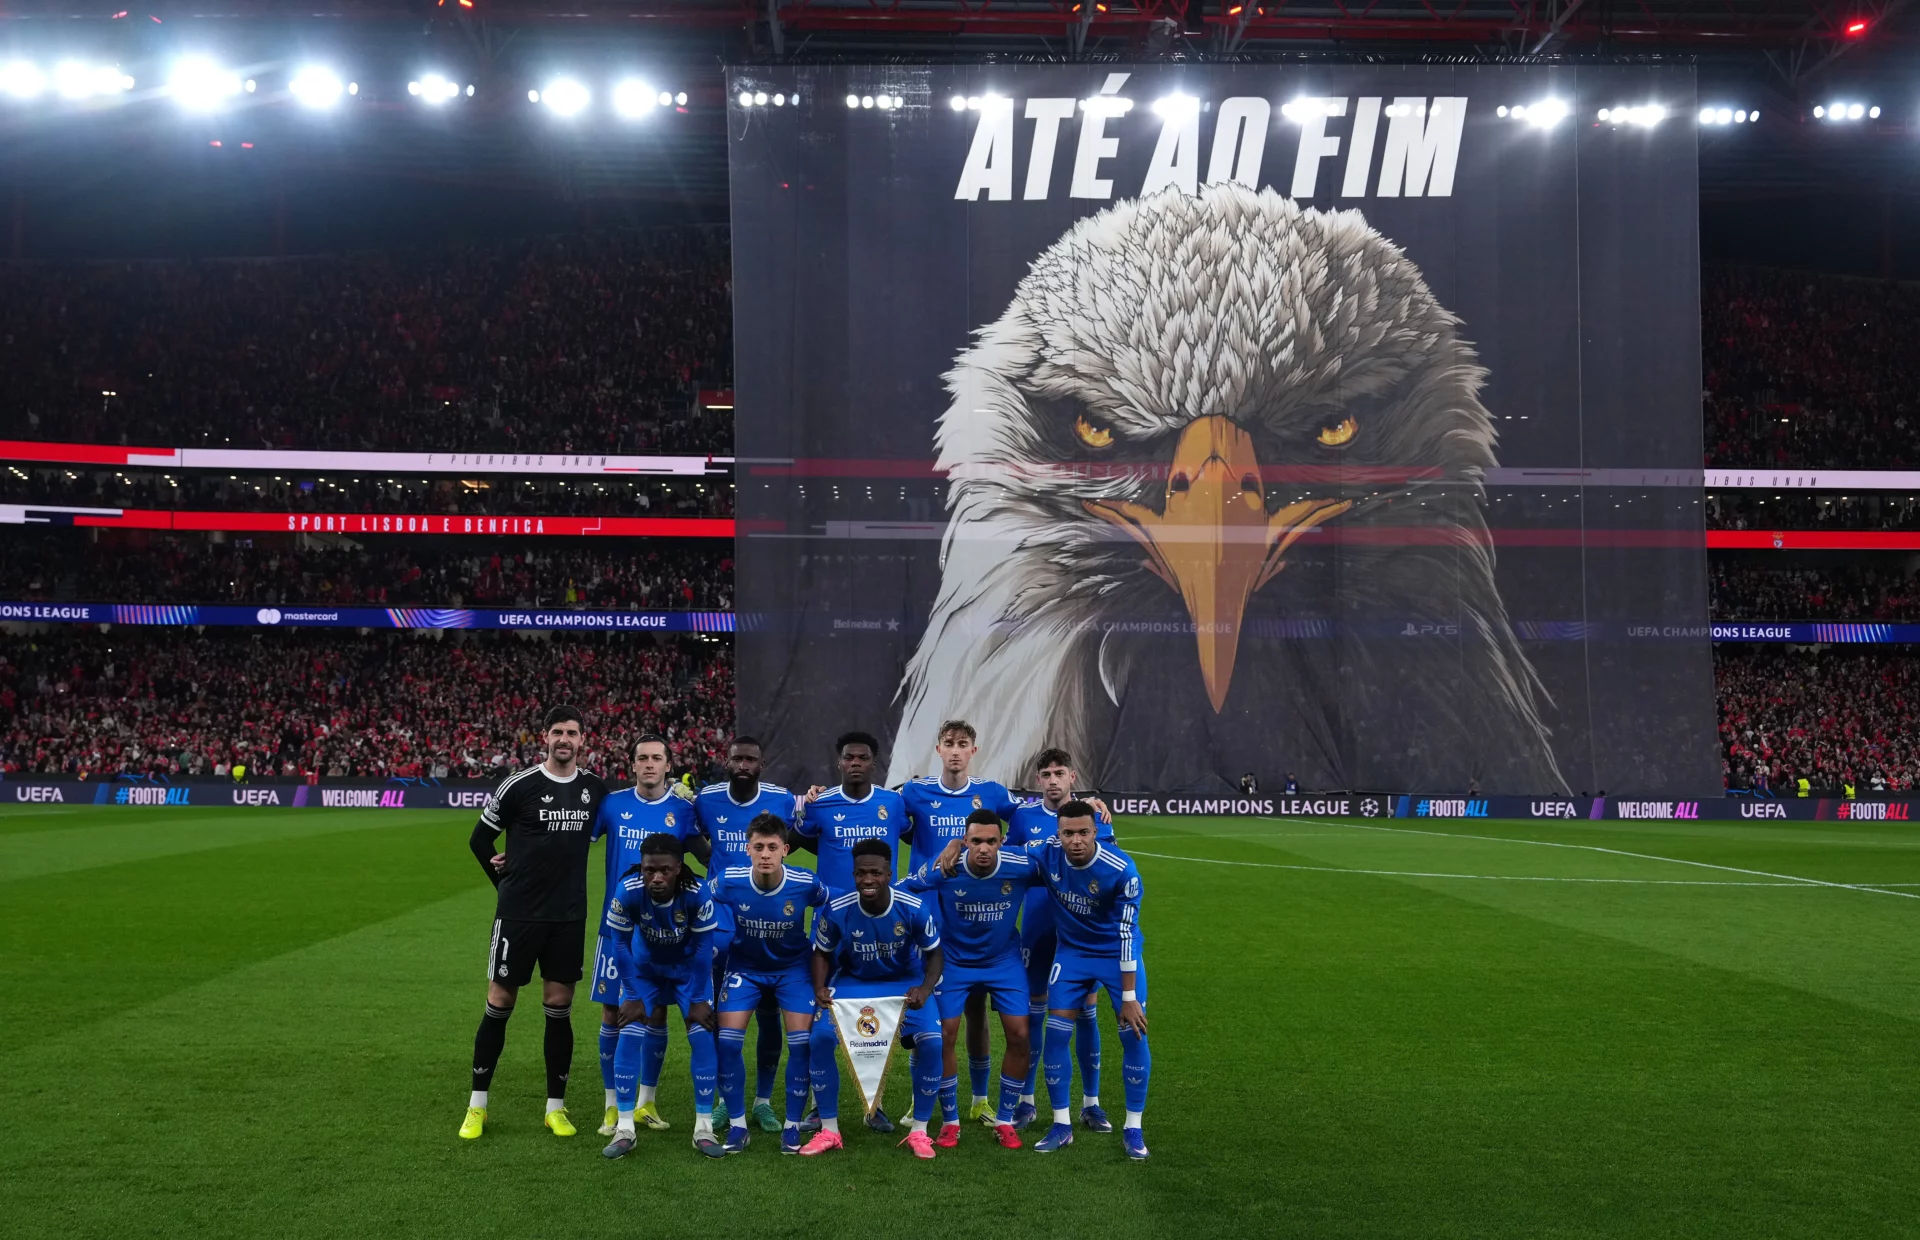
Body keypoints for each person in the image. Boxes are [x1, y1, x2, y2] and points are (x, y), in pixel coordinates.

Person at [459, 705, 610, 1140]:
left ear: (583, 740)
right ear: (545, 736)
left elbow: (621, 822)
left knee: (559, 1008)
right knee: (500, 1002)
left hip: (567, 917)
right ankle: (477, 1106)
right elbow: (479, 838)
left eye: (573, 733)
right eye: (558, 732)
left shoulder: (595, 789)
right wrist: (502, 883)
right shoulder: (520, 785)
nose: (565, 739)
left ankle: (555, 1108)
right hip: (518, 916)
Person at [899, 719, 1020, 1125]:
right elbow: (875, 808)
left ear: (974, 750)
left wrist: (1086, 802)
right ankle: (922, 1096)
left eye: (962, 743)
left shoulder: (992, 794)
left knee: (976, 1010)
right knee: (926, 1012)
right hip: (925, 920)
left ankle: (980, 1099)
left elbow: (1028, 820)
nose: (955, 750)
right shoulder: (914, 792)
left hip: (969, 920)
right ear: (938, 749)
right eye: (948, 743)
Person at [588, 736, 708, 1137]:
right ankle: (611, 1105)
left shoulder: (683, 809)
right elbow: (571, 842)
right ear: (632, 765)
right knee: (614, 1013)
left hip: (666, 934)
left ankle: (646, 1102)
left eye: (657, 758)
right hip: (617, 928)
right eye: (642, 758)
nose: (650, 764)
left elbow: (708, 855)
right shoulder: (612, 804)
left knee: (656, 1013)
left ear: (668, 764)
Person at [798, 840, 946, 1159]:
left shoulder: (913, 907)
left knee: (933, 1042)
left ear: (889, 873)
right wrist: (820, 986)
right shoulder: (837, 908)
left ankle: (919, 1131)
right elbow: (822, 952)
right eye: (861, 873)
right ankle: (829, 1130)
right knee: (820, 1039)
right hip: (855, 981)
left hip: (903, 982)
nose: (868, 880)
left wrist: (925, 987)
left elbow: (935, 954)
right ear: (853, 874)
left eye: (875, 873)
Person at [1023, 800, 1151, 1160]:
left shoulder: (1122, 870)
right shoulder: (1046, 854)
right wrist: (957, 845)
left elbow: (1127, 934)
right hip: (1073, 955)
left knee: (1134, 1031)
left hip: (1116, 956)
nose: (1075, 840)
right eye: (1068, 833)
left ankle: (1133, 1127)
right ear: (1057, 834)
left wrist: (1128, 995)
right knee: (1057, 1031)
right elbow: (1005, 851)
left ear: (1096, 832)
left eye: (1083, 832)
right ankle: (1061, 1124)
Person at [903, 808, 1037, 1150]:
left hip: (1003, 961)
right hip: (955, 961)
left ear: (1002, 842)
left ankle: (1005, 1120)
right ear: (965, 842)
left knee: (1021, 1034)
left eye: (991, 841)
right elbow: (903, 891)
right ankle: (950, 1121)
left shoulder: (1022, 865)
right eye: (975, 841)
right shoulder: (947, 868)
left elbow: (1061, 859)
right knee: (945, 1034)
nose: (983, 848)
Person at [796, 730, 910, 1129]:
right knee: (821, 1015)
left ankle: (871, 1104)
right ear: (840, 762)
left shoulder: (893, 803)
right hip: (831, 926)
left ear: (873, 763)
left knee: (872, 1015)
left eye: (862, 757)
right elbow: (797, 840)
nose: (855, 762)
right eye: (848, 757)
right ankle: (816, 1103)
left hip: (881, 926)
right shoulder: (821, 804)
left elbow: (919, 832)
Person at [706, 812, 829, 1154]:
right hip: (745, 968)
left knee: (801, 1044)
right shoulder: (729, 880)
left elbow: (831, 908)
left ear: (785, 849)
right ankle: (738, 1126)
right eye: (758, 846)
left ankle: (791, 1127)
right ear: (747, 849)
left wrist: (826, 950)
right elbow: (700, 901)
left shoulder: (805, 883)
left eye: (772, 847)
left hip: (794, 970)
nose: (764, 854)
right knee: (729, 1043)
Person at [693, 735, 799, 1133]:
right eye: (737, 758)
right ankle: (725, 1099)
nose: (742, 764)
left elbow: (798, 836)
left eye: (750, 759)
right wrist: (708, 869)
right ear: (726, 760)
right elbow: (691, 835)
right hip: (721, 922)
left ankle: (763, 1102)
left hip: (771, 923)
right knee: (723, 1016)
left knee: (770, 1015)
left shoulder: (783, 799)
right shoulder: (707, 799)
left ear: (761, 763)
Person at [1006, 748, 1113, 1131]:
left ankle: (1091, 1103)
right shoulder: (1022, 818)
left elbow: (1108, 874)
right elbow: (1009, 864)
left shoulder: (1093, 817)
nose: (1053, 779)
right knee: (1035, 1013)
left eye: (1059, 773)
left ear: (1073, 776)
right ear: (1038, 781)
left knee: (1086, 1012)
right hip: (1037, 929)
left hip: (1081, 933)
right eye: (1046, 773)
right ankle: (1026, 1100)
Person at [598, 834, 722, 1159]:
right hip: (645, 971)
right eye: (650, 870)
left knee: (703, 1036)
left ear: (679, 868)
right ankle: (626, 1127)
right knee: (629, 1033)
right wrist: (634, 995)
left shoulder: (698, 893)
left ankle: (704, 1127)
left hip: (687, 972)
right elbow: (620, 944)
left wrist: (697, 998)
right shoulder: (628, 890)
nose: (656, 878)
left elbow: (703, 948)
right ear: (642, 867)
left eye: (665, 871)